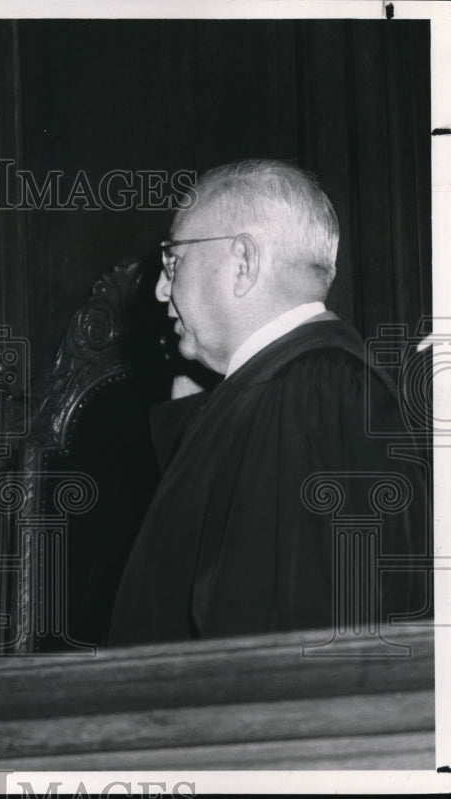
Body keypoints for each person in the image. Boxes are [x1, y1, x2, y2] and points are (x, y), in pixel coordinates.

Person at [107, 159, 430, 646]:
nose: (159, 290)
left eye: (173, 262)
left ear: (243, 261)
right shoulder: (291, 387)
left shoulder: (310, 391)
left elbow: (277, 655)